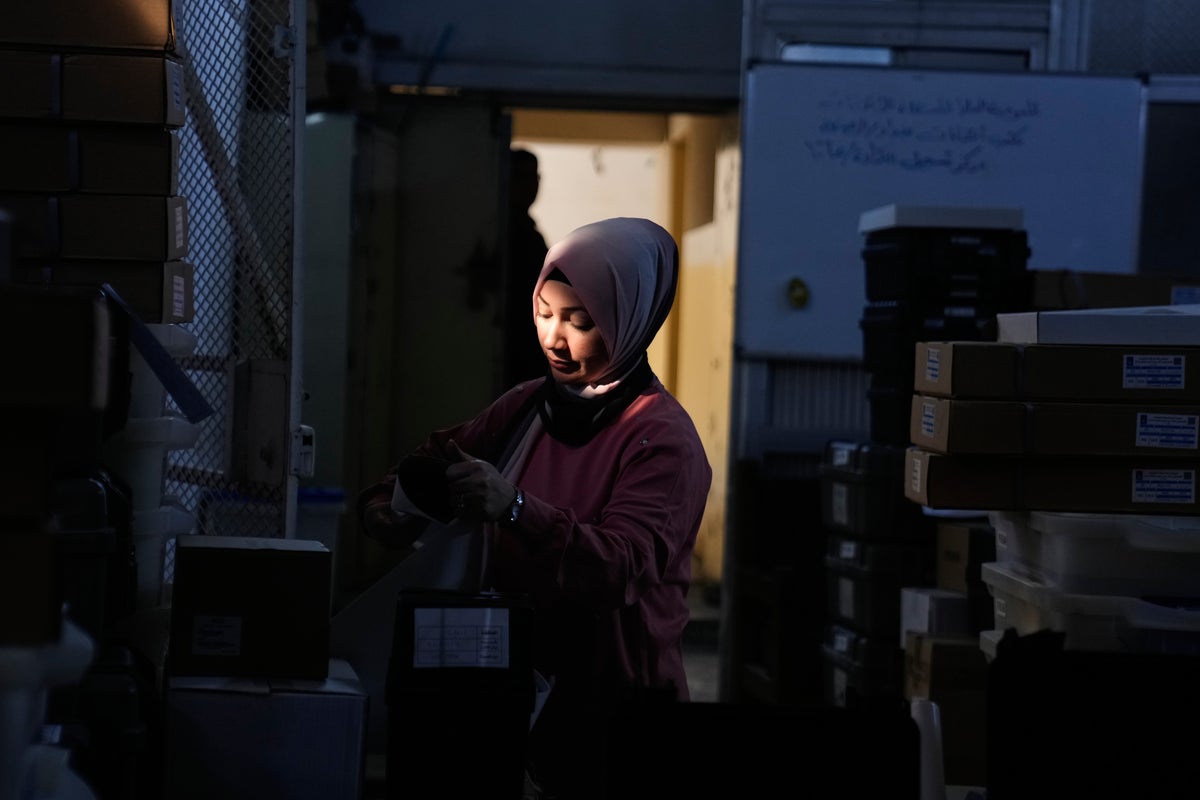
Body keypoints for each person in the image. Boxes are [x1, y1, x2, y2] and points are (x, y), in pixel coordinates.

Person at [357, 216, 712, 798]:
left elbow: (621, 567)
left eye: (580, 321)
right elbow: (426, 464)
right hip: (504, 686)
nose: (553, 337)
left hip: (613, 709)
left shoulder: (661, 439)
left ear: (631, 320)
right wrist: (385, 510)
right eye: (545, 312)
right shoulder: (528, 407)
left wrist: (516, 506)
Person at [503, 148, 551, 385]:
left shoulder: (526, 232)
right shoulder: (502, 230)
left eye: (533, 177)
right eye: (520, 176)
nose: (529, 185)